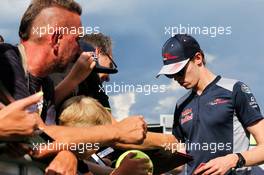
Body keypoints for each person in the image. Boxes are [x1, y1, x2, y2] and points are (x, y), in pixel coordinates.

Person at [0, 0, 146, 174]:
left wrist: (66, 153)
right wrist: (117, 131)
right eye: (76, 39)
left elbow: (43, 146)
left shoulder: (44, 85)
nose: (79, 49)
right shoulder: (6, 61)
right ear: (56, 39)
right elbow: (37, 134)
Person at [156, 34, 264, 175]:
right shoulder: (180, 105)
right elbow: (179, 163)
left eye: (179, 71)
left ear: (198, 58)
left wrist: (232, 160)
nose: (176, 78)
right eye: (170, 75)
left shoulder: (234, 90)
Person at [59, 95, 151, 175]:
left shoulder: (74, 160)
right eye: (100, 142)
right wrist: (121, 172)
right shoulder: (65, 167)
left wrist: (109, 170)